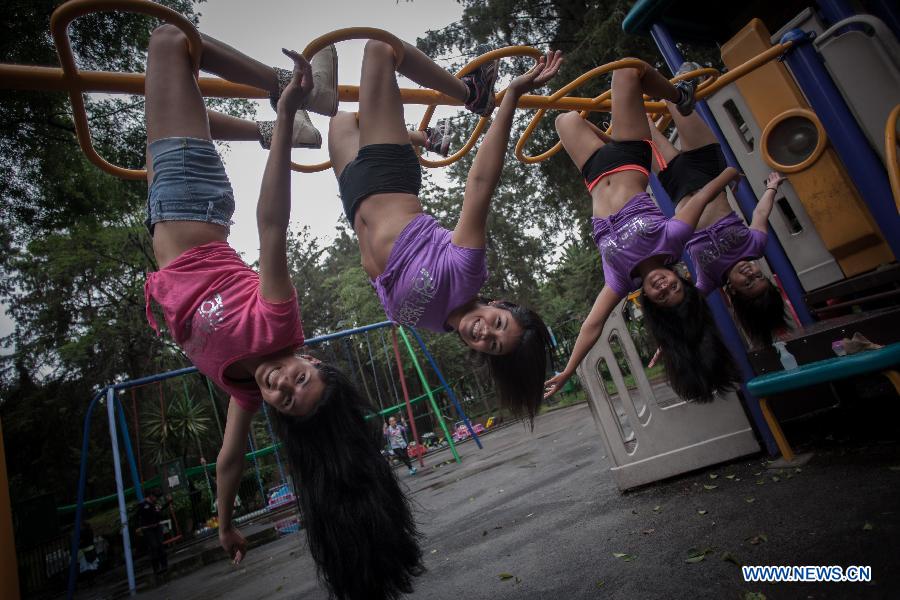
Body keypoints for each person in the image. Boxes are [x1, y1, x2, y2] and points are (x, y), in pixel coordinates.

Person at [141, 26, 422, 599]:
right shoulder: (278, 323)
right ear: (312, 359)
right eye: (301, 380)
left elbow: (229, 459)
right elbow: (273, 226)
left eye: (285, 399)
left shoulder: (244, 392)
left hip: (161, 213)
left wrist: (224, 524)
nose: (281, 385)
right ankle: (289, 102)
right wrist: (287, 97)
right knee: (170, 42)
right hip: (192, 201)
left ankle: (285, 126)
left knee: (179, 85)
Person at [327, 39, 563, 425]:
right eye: (498, 325)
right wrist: (513, 97)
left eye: (493, 347)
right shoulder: (467, 273)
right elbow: (481, 182)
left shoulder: (429, 323)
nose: (486, 333)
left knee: (339, 121)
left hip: (353, 194)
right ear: (498, 305)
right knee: (381, 49)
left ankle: (424, 139)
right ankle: (472, 91)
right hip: (389, 175)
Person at [544, 58, 742, 403]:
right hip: (630, 158)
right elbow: (707, 192)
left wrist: (569, 369)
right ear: (680, 278)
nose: (665, 287)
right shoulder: (673, 239)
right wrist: (730, 176)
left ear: (649, 301)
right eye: (676, 287)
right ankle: (679, 96)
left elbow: (592, 324)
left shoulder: (619, 279)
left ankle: (621, 123)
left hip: (593, 172)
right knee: (627, 70)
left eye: (663, 297)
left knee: (565, 120)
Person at [644, 70, 790, 346]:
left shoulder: (708, 278)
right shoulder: (754, 246)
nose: (750, 273)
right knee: (678, 99)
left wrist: (668, 338)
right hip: (708, 168)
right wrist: (771, 188)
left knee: (641, 126)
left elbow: (686, 307)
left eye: (748, 283)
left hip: (675, 183)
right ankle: (679, 75)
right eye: (759, 276)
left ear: (733, 293)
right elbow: (760, 215)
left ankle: (632, 90)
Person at [133, 490, 171, 576]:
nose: (156, 499)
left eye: (157, 497)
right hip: (147, 528)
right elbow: (137, 516)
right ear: (150, 496)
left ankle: (164, 565)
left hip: (156, 527)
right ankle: (156, 568)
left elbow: (160, 508)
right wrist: (138, 527)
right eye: (155, 497)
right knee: (154, 546)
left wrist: (168, 502)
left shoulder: (155, 504)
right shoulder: (143, 505)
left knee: (160, 545)